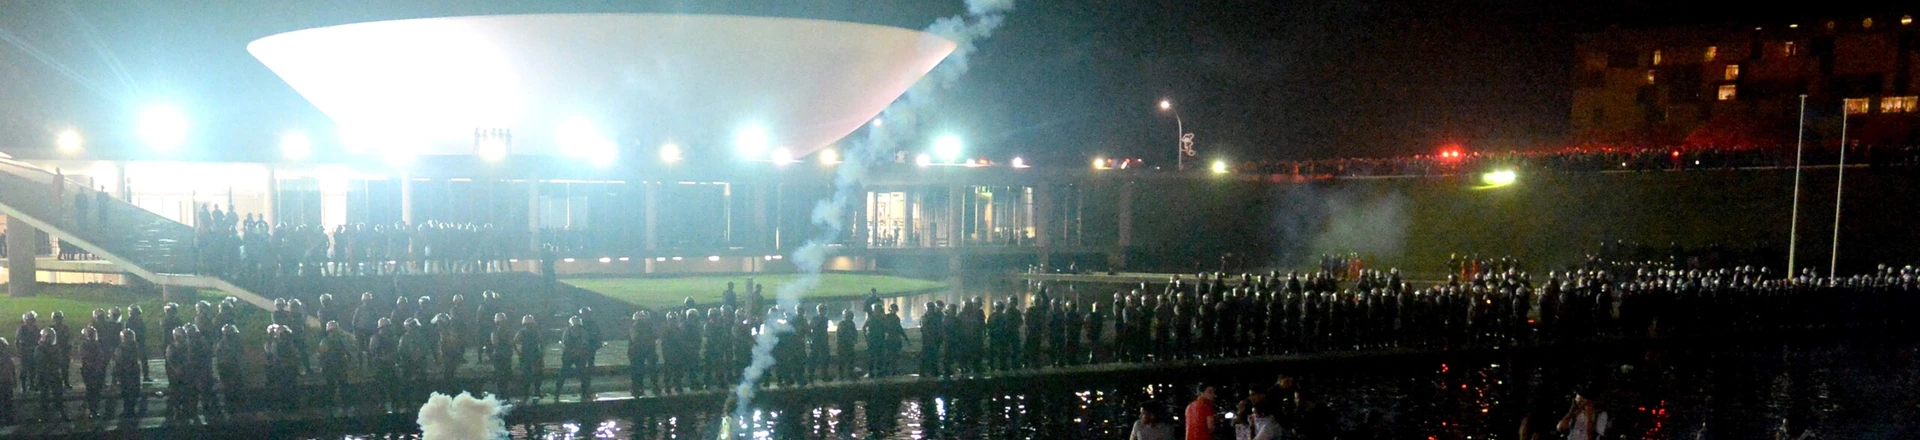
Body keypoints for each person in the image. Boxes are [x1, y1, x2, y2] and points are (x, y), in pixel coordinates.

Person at [514, 315, 544, 401]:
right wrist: (518, 353)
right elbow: (514, 342)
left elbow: (541, 343)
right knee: (526, 375)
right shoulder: (522, 332)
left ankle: (537, 392)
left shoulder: (536, 331)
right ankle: (526, 393)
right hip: (526, 355)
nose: (529, 326)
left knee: (537, 375)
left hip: (535, 355)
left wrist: (541, 354)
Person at [111, 329, 141, 418]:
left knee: (130, 392)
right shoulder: (125, 348)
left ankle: (129, 410)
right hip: (127, 373)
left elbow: (117, 363)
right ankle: (129, 410)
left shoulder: (129, 348)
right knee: (128, 393)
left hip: (130, 373)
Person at [627, 311, 656, 397]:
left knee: (637, 372)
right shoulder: (638, 329)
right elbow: (636, 340)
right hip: (637, 353)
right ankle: (637, 388)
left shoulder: (635, 328)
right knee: (637, 372)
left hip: (637, 353)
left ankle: (637, 388)